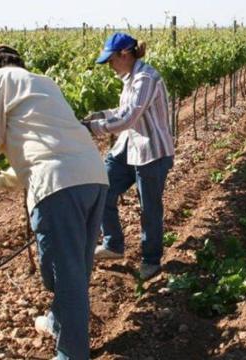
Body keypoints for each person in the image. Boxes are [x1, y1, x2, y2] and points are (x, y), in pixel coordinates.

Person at [0, 44, 109, 360]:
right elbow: (39, 151)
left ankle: (72, 354)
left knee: (64, 276)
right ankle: (58, 322)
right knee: (76, 270)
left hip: (58, 187)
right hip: (93, 177)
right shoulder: (43, 83)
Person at [82, 33, 174, 280]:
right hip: (128, 147)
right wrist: (97, 115)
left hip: (151, 152)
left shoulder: (145, 78)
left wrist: (92, 129)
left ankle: (151, 261)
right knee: (102, 190)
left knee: (149, 208)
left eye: (111, 60)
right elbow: (122, 110)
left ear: (125, 54)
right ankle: (113, 245)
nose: (109, 66)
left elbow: (128, 118)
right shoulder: (129, 78)